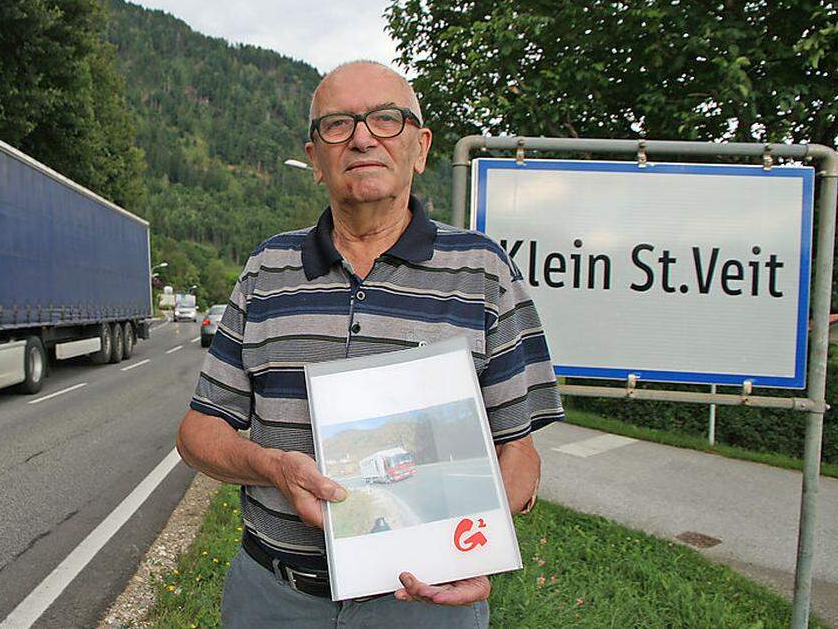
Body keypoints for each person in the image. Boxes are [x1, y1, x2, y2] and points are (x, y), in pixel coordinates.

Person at [175, 60, 564, 627]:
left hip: (426, 606)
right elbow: (197, 434)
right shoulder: (267, 269)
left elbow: (519, 450)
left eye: (386, 119)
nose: (361, 138)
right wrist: (274, 468)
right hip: (274, 598)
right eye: (337, 125)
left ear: (420, 146)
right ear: (314, 159)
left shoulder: (482, 270)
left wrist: (482, 548)